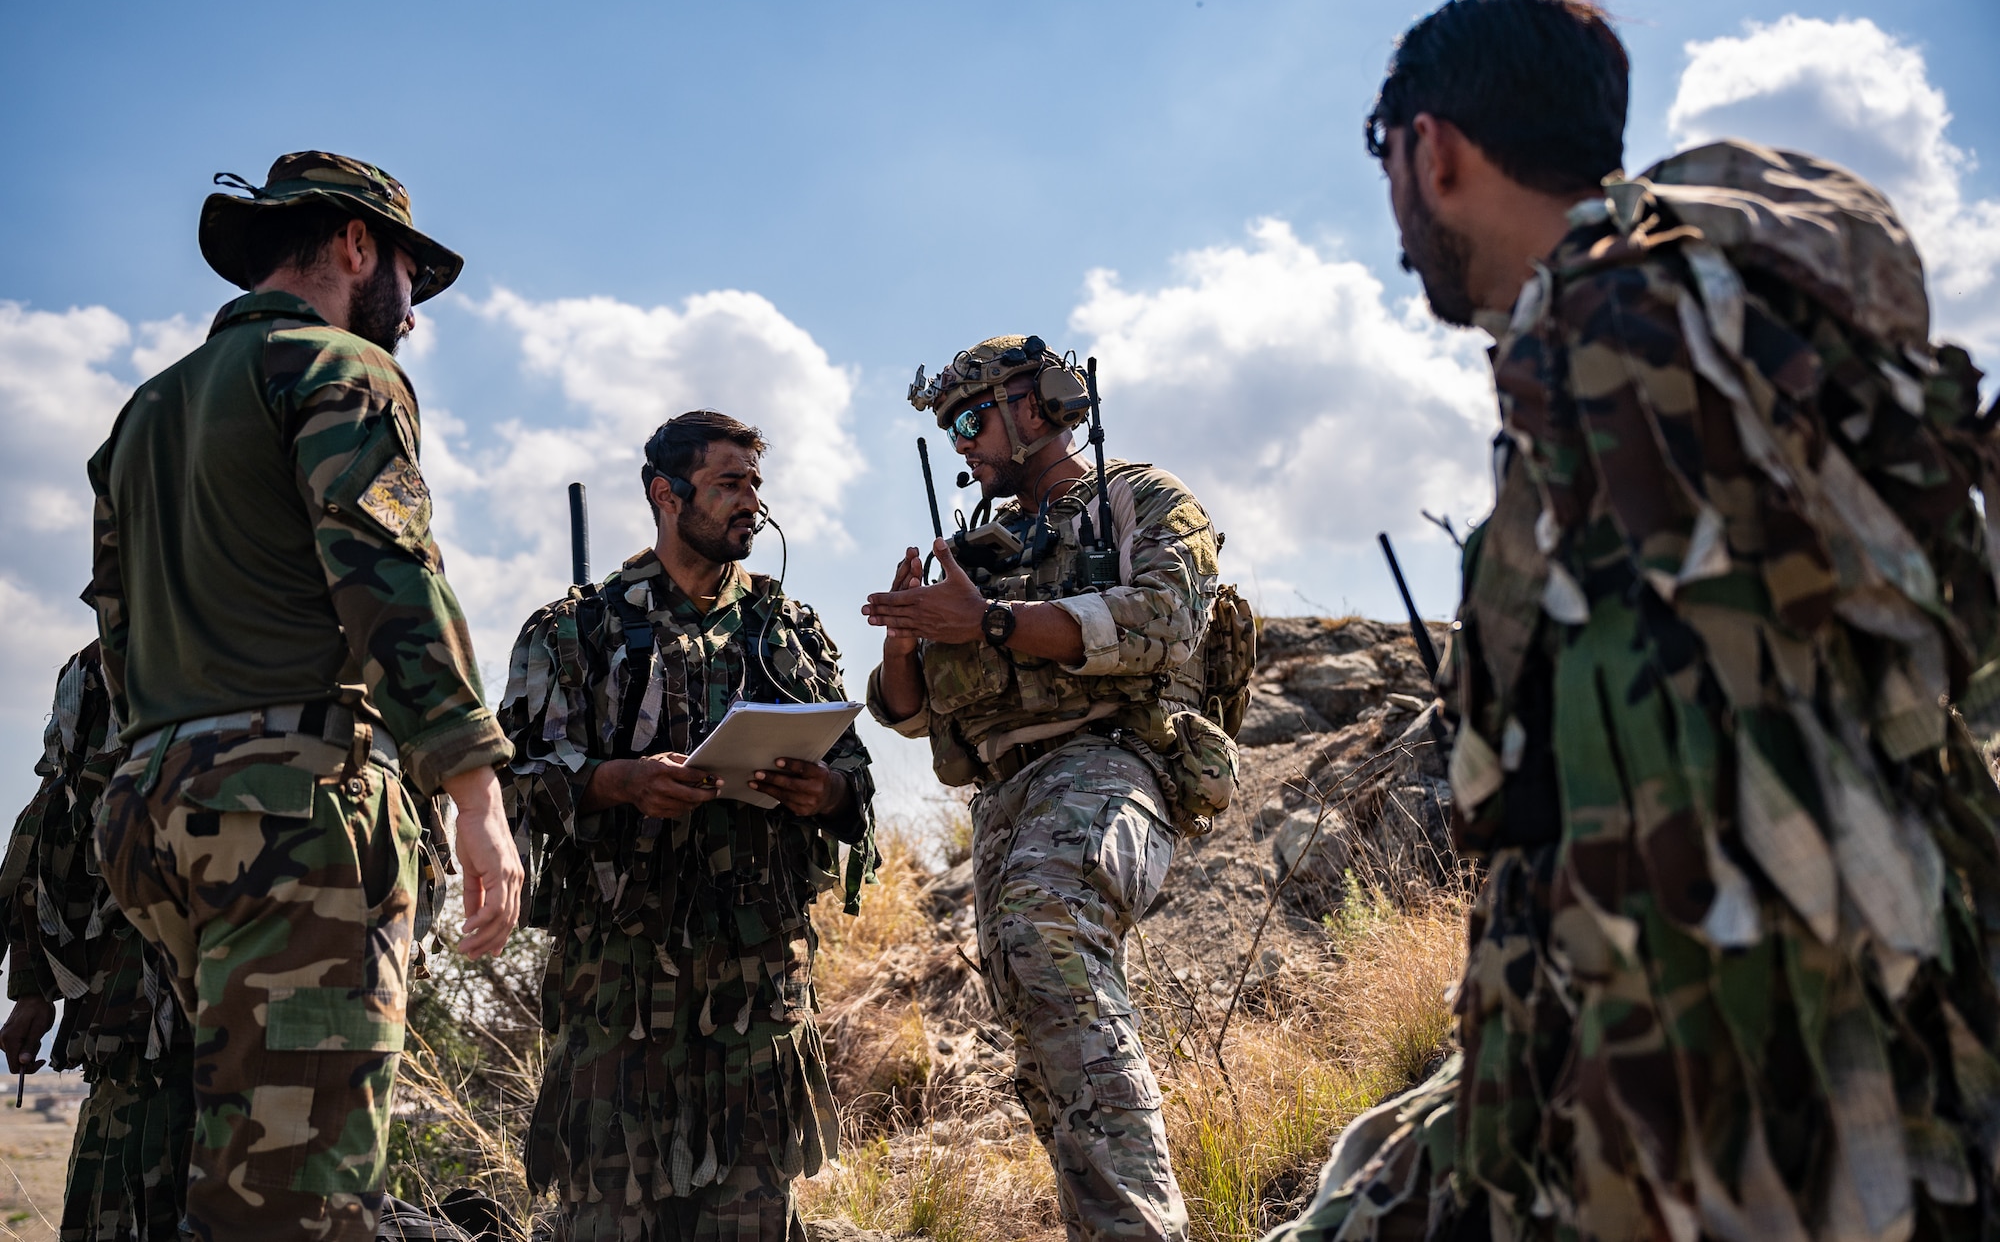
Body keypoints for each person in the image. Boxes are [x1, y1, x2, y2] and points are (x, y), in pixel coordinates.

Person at [1268, 0, 2000, 1242]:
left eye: (1382, 157)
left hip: (1741, 1143)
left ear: (1429, 151)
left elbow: (1689, 863)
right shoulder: (1696, 327)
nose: (1390, 209)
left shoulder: (1612, 349)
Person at [86, 151, 523, 1242]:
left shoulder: (146, 411)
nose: (412, 305)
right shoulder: (337, 367)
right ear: (356, 245)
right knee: (301, 1203)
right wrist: (473, 790)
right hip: (293, 812)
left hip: (155, 805)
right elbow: (387, 576)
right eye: (409, 271)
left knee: (246, 1167)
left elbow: (115, 629)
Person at [863, 335, 1232, 1242]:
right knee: (1036, 1039)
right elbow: (912, 720)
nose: (959, 443)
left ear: (1036, 405)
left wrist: (987, 620)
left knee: (1047, 927)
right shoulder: (975, 553)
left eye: (968, 419)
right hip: (1002, 797)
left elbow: (1162, 622)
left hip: (1113, 762)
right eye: (948, 427)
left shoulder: (1140, 499)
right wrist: (908, 646)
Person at [499, 409, 877, 1241]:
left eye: (756, 485)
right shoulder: (574, 631)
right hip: (620, 990)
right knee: (607, 1213)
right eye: (729, 484)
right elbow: (509, 780)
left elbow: (855, 773)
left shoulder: (788, 628)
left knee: (750, 1211)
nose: (752, 504)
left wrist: (823, 792)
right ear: (665, 495)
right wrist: (615, 781)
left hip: (757, 990)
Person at [0, 639, 194, 1241]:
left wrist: (34, 990)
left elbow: (54, 821)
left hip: (169, 1028)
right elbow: (59, 817)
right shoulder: (107, 663)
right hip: (141, 1022)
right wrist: (34, 988)